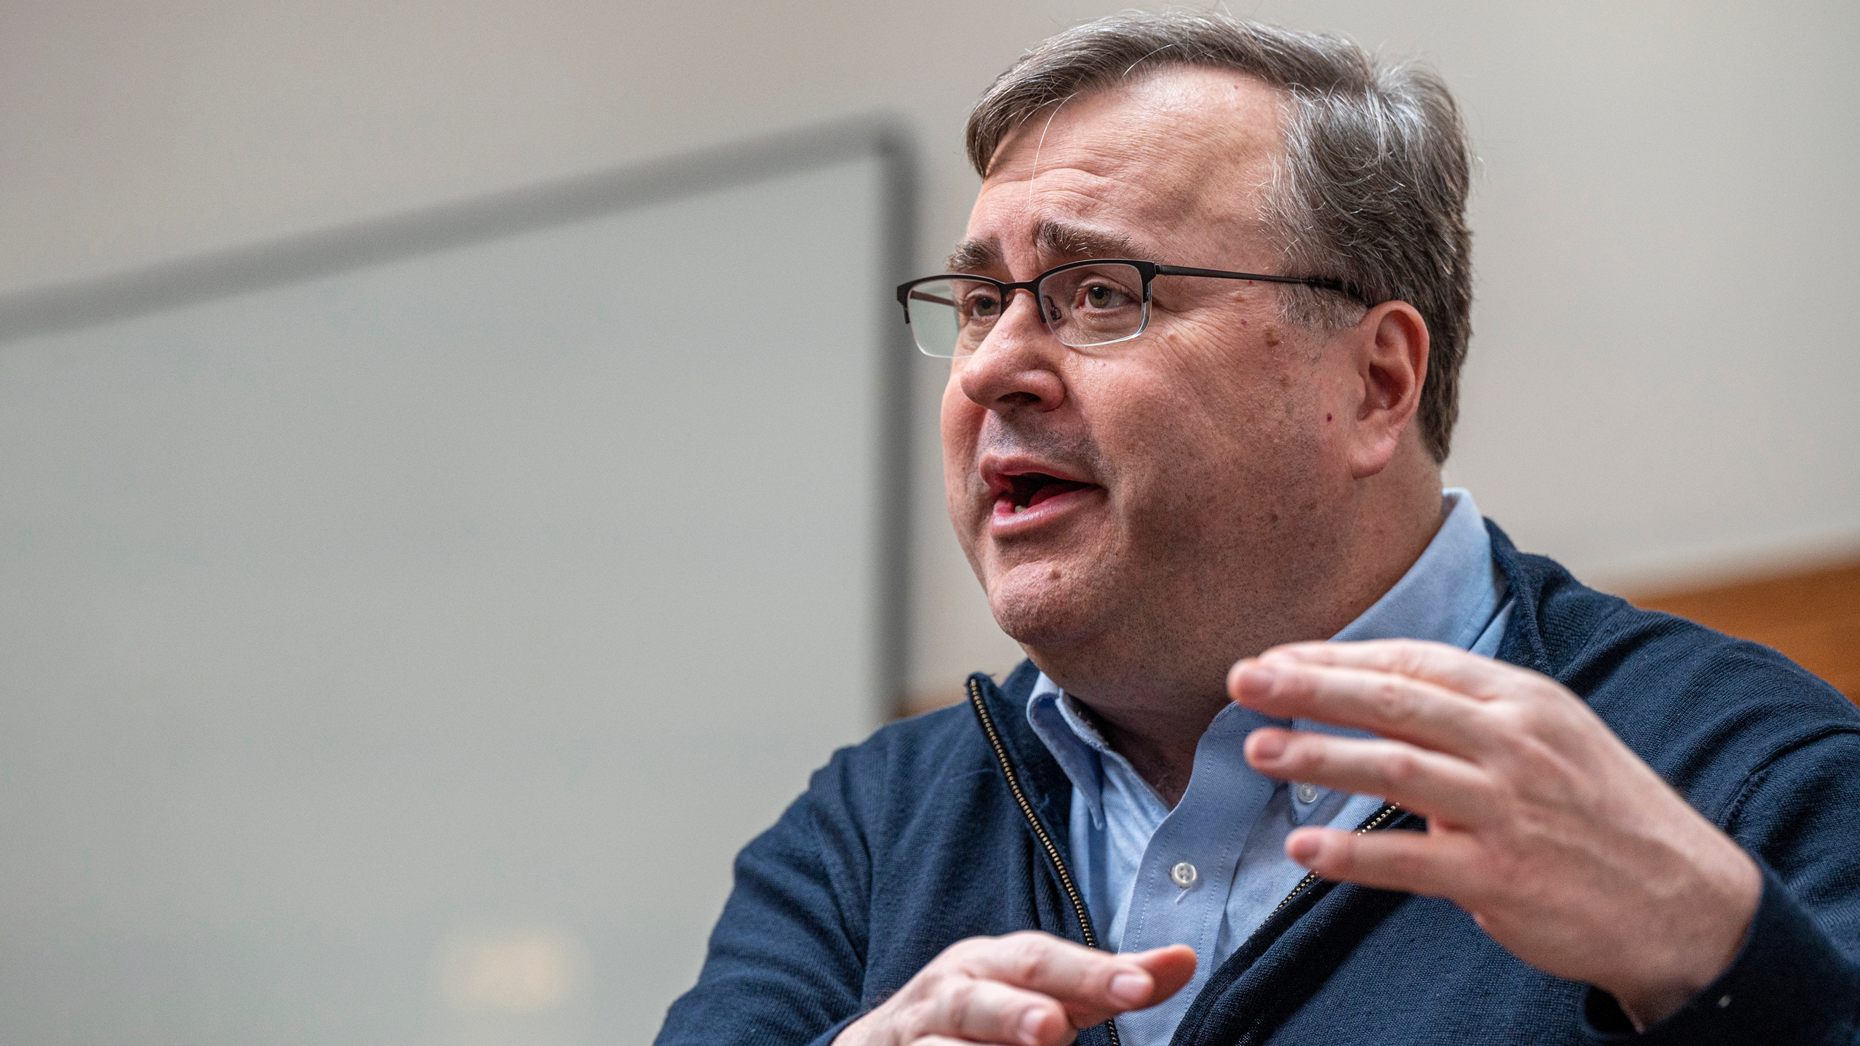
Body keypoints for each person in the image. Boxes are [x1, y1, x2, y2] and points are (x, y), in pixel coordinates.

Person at [654, 13, 1860, 1045]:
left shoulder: (1740, 776)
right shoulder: (873, 831)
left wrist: (1728, 966)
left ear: (1377, 382)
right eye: (978, 304)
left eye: (1099, 295)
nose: (994, 370)